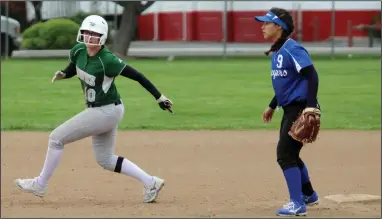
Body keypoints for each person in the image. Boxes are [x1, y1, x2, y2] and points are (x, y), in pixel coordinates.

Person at [15, 15, 173, 203]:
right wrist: (64, 74)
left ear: (103, 37)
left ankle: (40, 184)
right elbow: (74, 67)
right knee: (105, 159)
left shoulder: (108, 60)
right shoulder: (79, 50)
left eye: (95, 34)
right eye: (87, 33)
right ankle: (151, 182)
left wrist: (159, 97)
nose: (90, 37)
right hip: (104, 110)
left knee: (56, 138)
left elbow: (138, 76)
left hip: (106, 111)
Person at [254, 8, 320, 216]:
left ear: (279, 27)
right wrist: (272, 104)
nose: (262, 26)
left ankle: (297, 203)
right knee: (291, 153)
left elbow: (312, 75)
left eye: (267, 23)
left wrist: (310, 106)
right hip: (290, 108)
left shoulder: (292, 48)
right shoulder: (279, 50)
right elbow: (286, 84)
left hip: (301, 108)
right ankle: (309, 194)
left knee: (285, 155)